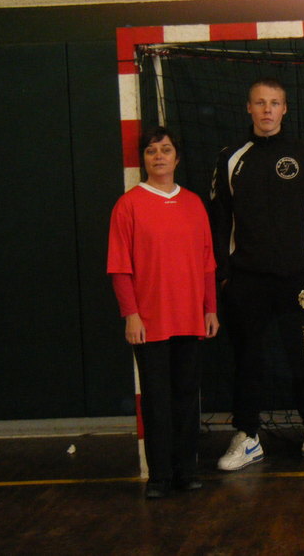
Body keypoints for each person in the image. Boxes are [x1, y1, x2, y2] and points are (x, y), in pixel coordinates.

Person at [209, 77, 304, 470]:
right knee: (247, 359)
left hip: (299, 279)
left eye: (274, 103)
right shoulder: (230, 157)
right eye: (260, 102)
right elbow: (217, 220)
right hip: (246, 280)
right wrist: (223, 274)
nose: (267, 110)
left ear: (285, 109)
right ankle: (247, 436)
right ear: (248, 108)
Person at [107, 126, 219, 499]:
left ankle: (187, 471)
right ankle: (159, 476)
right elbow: (119, 267)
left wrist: (210, 309)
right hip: (150, 323)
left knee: (187, 397)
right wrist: (131, 314)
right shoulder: (128, 205)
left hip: (190, 319)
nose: (159, 156)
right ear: (144, 159)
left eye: (166, 149)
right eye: (152, 150)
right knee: (156, 401)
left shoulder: (193, 204)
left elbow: (207, 263)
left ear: (177, 157)